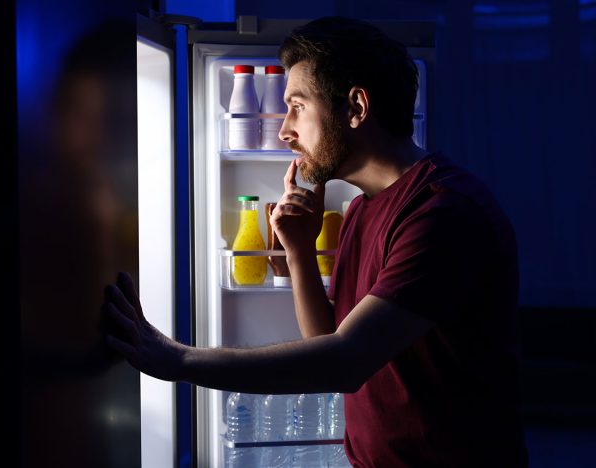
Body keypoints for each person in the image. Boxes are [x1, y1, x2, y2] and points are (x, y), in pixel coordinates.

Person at [104, 16, 528, 467]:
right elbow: (328, 338)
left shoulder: (443, 213)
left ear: (356, 107)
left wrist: (179, 361)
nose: (286, 129)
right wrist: (301, 251)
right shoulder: (365, 206)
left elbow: (345, 362)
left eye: (297, 106)